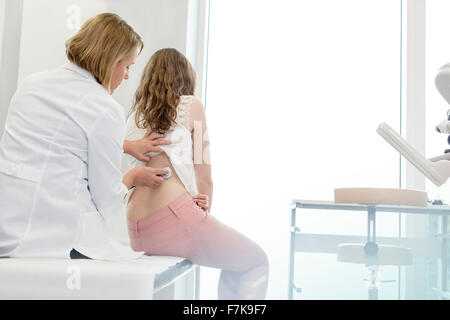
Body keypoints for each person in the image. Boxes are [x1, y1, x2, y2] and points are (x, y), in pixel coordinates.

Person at [0, 13, 170, 261]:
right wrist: (133, 176)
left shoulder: (31, 85)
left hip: (8, 231)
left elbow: (56, 143)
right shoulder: (105, 108)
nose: (126, 76)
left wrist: (125, 146)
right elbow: (108, 202)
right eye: (127, 67)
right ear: (111, 61)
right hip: (62, 243)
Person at [125, 48, 269, 299]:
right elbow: (204, 174)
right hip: (174, 220)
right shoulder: (191, 104)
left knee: (236, 260)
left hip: (137, 231)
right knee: (256, 260)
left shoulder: (133, 117)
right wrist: (203, 207)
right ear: (186, 78)